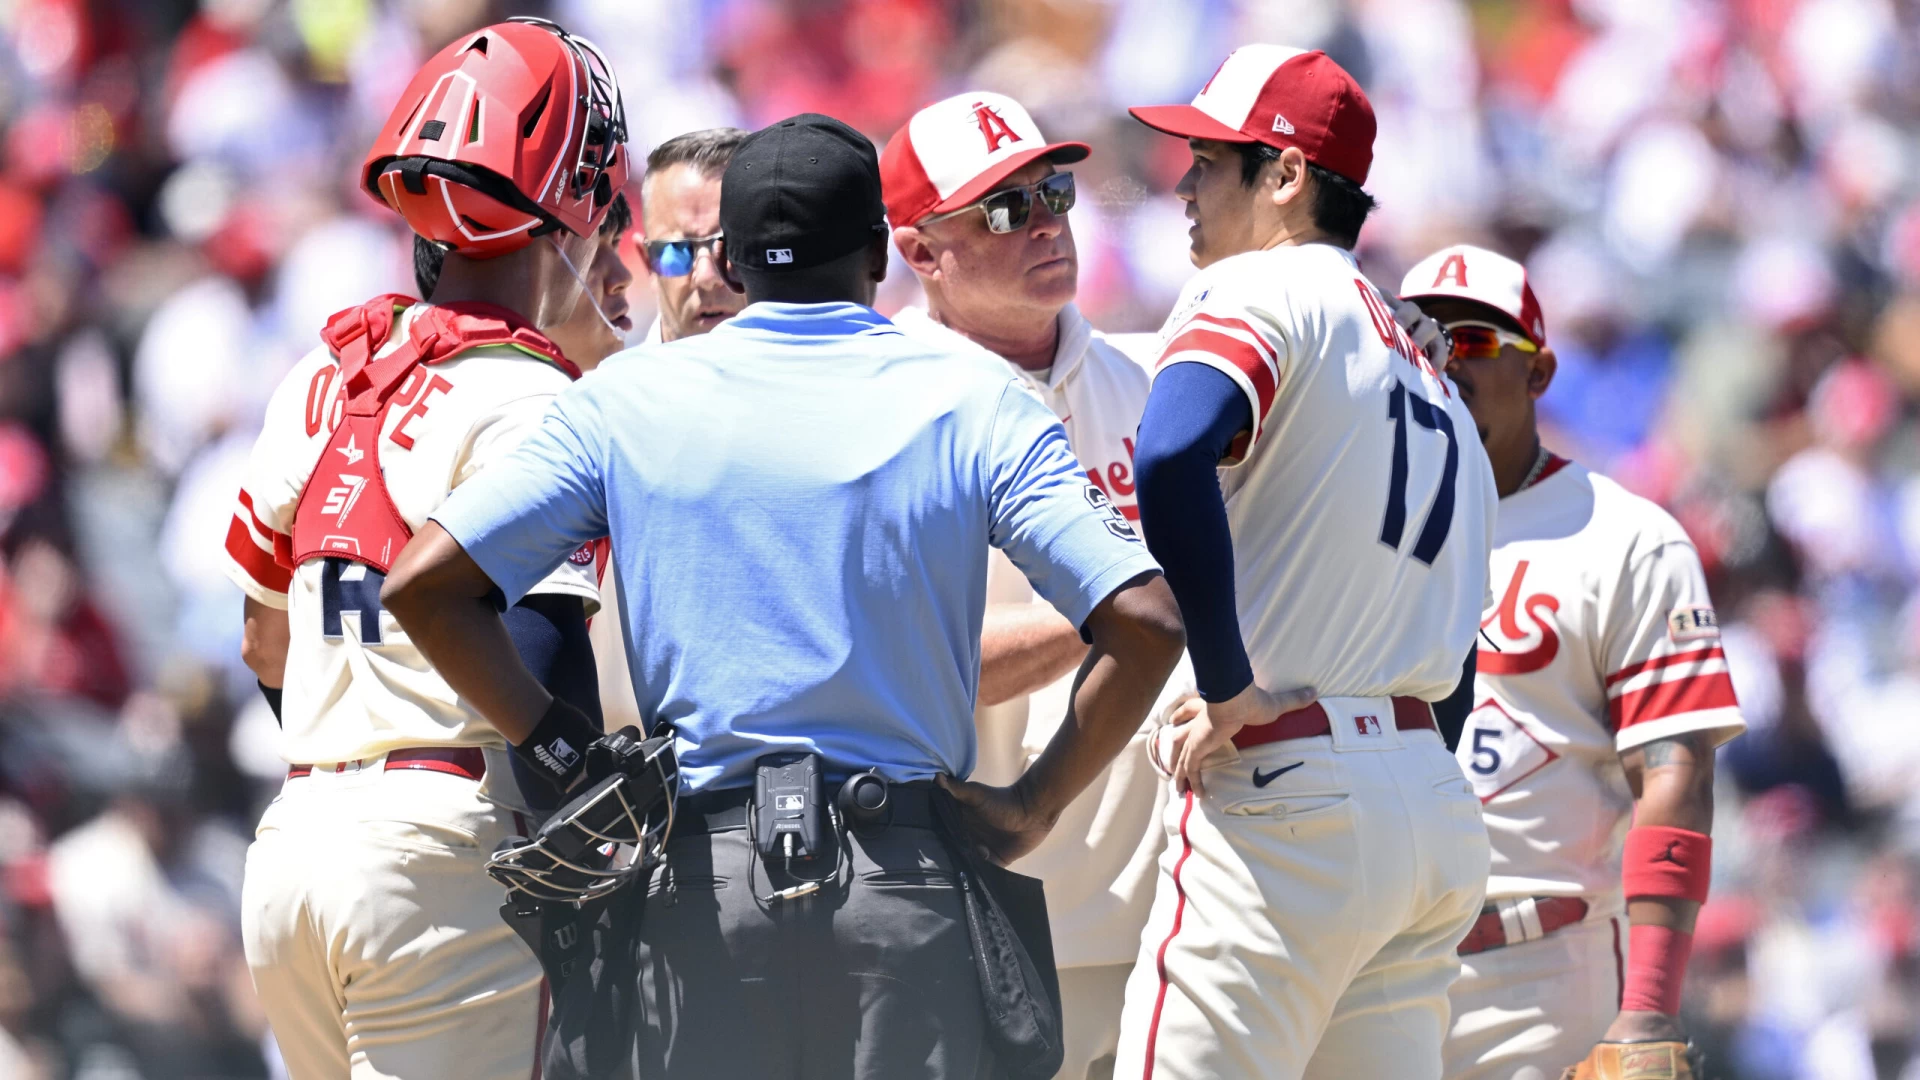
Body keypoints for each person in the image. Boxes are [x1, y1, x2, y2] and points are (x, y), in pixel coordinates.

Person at [380, 113, 1187, 1079]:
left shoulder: (626, 399)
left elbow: (426, 586)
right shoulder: (972, 397)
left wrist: (564, 752)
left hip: (698, 896)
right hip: (907, 886)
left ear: (730, 258)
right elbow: (1147, 619)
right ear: (881, 252)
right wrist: (1033, 805)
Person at [222, 18, 634, 1078]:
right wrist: (585, 804)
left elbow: (263, 642)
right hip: (445, 849)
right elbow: (541, 658)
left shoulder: (321, 373)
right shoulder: (537, 398)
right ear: (575, 205)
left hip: (296, 843)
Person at [1114, 45, 1497, 1080]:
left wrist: (1228, 684)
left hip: (1287, 794)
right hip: (1428, 805)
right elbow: (1460, 641)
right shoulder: (1435, 379)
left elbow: (1169, 452)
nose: (1184, 185)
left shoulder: (1259, 283)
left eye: (1208, 161)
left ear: (1284, 175)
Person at [882, 89, 1175, 1080]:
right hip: (977, 914)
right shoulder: (887, 407)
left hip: (1164, 921)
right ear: (921, 253)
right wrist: (1128, 610)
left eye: (1053, 193)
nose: (1047, 223)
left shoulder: (1150, 382)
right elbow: (904, 665)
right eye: (1005, 209)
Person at [1398, 245, 1744, 1080]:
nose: (1444, 361)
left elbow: (1673, 774)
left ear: (1539, 372)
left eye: (1473, 341)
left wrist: (1648, 1009)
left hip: (1536, 980)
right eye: (1419, 339)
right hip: (1362, 966)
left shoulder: (1624, 538)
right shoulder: (1344, 522)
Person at [635, 126, 750, 342]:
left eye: (731, 247)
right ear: (648, 263)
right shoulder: (612, 366)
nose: (707, 277)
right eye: (677, 250)